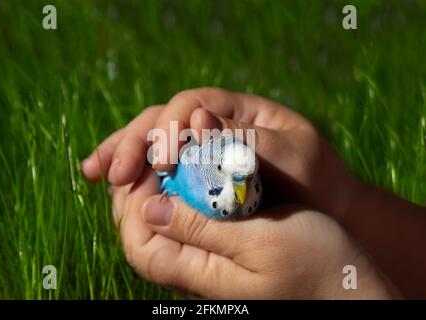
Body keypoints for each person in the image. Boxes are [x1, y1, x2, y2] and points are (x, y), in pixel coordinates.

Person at [81, 87, 426, 299]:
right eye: (233, 176)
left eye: (247, 178)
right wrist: (345, 202)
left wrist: (337, 289)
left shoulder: (247, 188)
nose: (244, 189)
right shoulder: (189, 169)